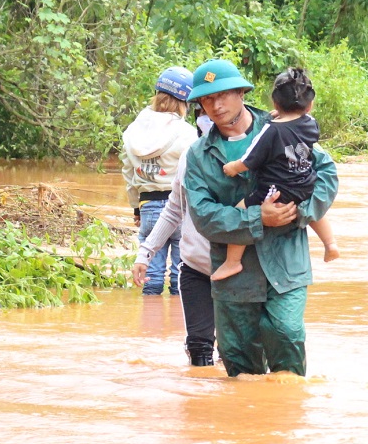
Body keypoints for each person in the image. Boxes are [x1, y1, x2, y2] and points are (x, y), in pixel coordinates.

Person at [183, 59, 338, 377]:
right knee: (239, 364)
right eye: (207, 99)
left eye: (223, 94)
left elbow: (326, 174)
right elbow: (204, 216)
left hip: (286, 265)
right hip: (235, 280)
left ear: (241, 92)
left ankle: (286, 422)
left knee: (287, 335)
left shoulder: (284, 125)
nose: (216, 104)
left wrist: (296, 213)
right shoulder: (199, 155)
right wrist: (258, 218)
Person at [215, 67, 339, 280]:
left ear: (274, 103)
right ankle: (330, 244)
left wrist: (233, 167)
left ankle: (232, 262)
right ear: (310, 105)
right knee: (316, 213)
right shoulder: (311, 124)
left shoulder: (271, 130)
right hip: (304, 184)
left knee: (241, 210)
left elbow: (250, 159)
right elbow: (295, 126)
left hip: (275, 191)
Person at [129, 109, 218, 366]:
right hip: (197, 268)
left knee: (233, 352)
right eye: (204, 110)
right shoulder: (190, 155)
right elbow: (173, 210)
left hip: (238, 270)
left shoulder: (251, 154)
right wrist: (144, 253)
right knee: (200, 350)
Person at [121, 67, 200, 296]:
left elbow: (129, 174)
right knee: (181, 276)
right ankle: (178, 328)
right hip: (180, 209)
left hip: (148, 208)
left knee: (151, 276)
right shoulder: (187, 133)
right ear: (186, 101)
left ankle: (150, 327)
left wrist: (136, 207)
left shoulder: (132, 130)